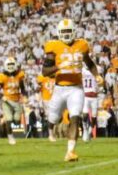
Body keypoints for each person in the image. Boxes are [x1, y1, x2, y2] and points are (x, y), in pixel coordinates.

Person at [42, 19, 100, 162]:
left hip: (76, 88)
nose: (67, 34)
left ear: (74, 31)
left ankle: (70, 151)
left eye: (69, 31)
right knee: (54, 118)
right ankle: (50, 130)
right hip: (59, 88)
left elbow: (90, 63)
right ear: (59, 33)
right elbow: (45, 71)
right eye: (64, 32)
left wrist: (97, 75)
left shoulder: (82, 45)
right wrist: (59, 67)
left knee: (75, 117)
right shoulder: (53, 46)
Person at [0, 58, 26, 145]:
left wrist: (25, 95)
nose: (11, 67)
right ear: (5, 66)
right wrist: (1, 96)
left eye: (12, 64)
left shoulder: (19, 75)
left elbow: (22, 87)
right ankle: (10, 137)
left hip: (16, 100)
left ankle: (6, 127)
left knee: (17, 121)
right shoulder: (2, 76)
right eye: (9, 65)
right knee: (9, 119)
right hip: (7, 101)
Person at [80, 66, 103, 142]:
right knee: (85, 114)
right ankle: (85, 129)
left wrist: (100, 86)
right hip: (85, 95)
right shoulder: (82, 70)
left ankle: (90, 129)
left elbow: (101, 82)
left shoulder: (97, 69)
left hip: (94, 96)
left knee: (94, 116)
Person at [36, 73, 56, 141]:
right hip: (46, 100)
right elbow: (37, 90)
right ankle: (49, 134)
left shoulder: (57, 77)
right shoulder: (42, 77)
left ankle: (52, 134)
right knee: (49, 118)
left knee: (55, 118)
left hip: (55, 99)